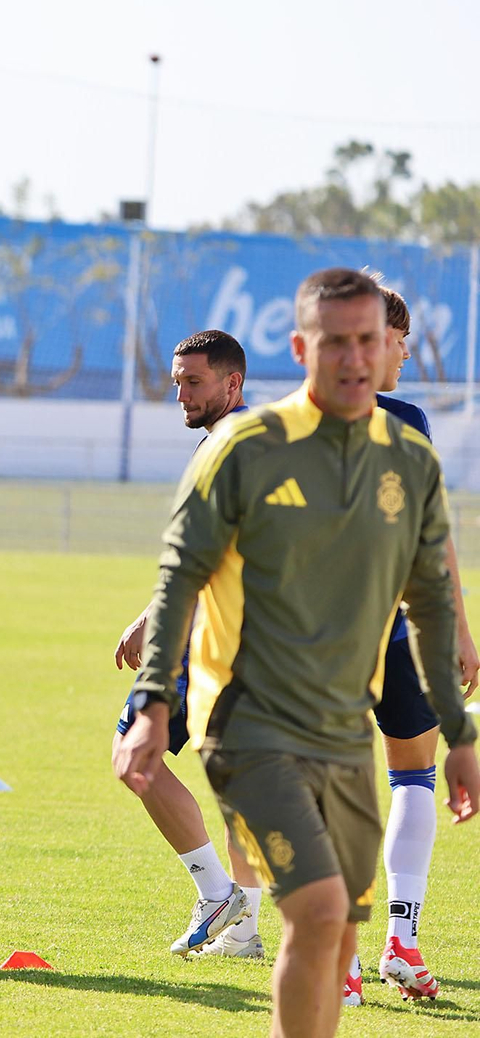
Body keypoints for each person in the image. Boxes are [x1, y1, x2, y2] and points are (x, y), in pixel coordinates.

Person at [116, 267, 480, 1038]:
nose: (357, 357)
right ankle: (244, 909)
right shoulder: (249, 445)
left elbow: (429, 582)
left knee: (331, 924)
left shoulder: (406, 453)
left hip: (341, 724)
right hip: (249, 715)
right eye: (336, 341)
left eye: (370, 341)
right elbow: (181, 571)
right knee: (317, 913)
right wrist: (151, 709)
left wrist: (459, 731)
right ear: (302, 348)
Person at [339, 279, 480, 1005]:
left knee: (368, 782)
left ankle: (364, 951)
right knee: (406, 778)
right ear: (380, 338)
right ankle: (393, 940)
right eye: (402, 340)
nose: (405, 355)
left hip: (343, 631)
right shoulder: (400, 417)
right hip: (378, 628)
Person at [112, 329, 264, 957]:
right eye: (176, 381)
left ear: (233, 383)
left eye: (192, 382)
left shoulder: (236, 445)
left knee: (133, 754)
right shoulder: (236, 439)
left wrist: (157, 616)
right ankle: (247, 930)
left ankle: (216, 893)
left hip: (222, 639)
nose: (180, 393)